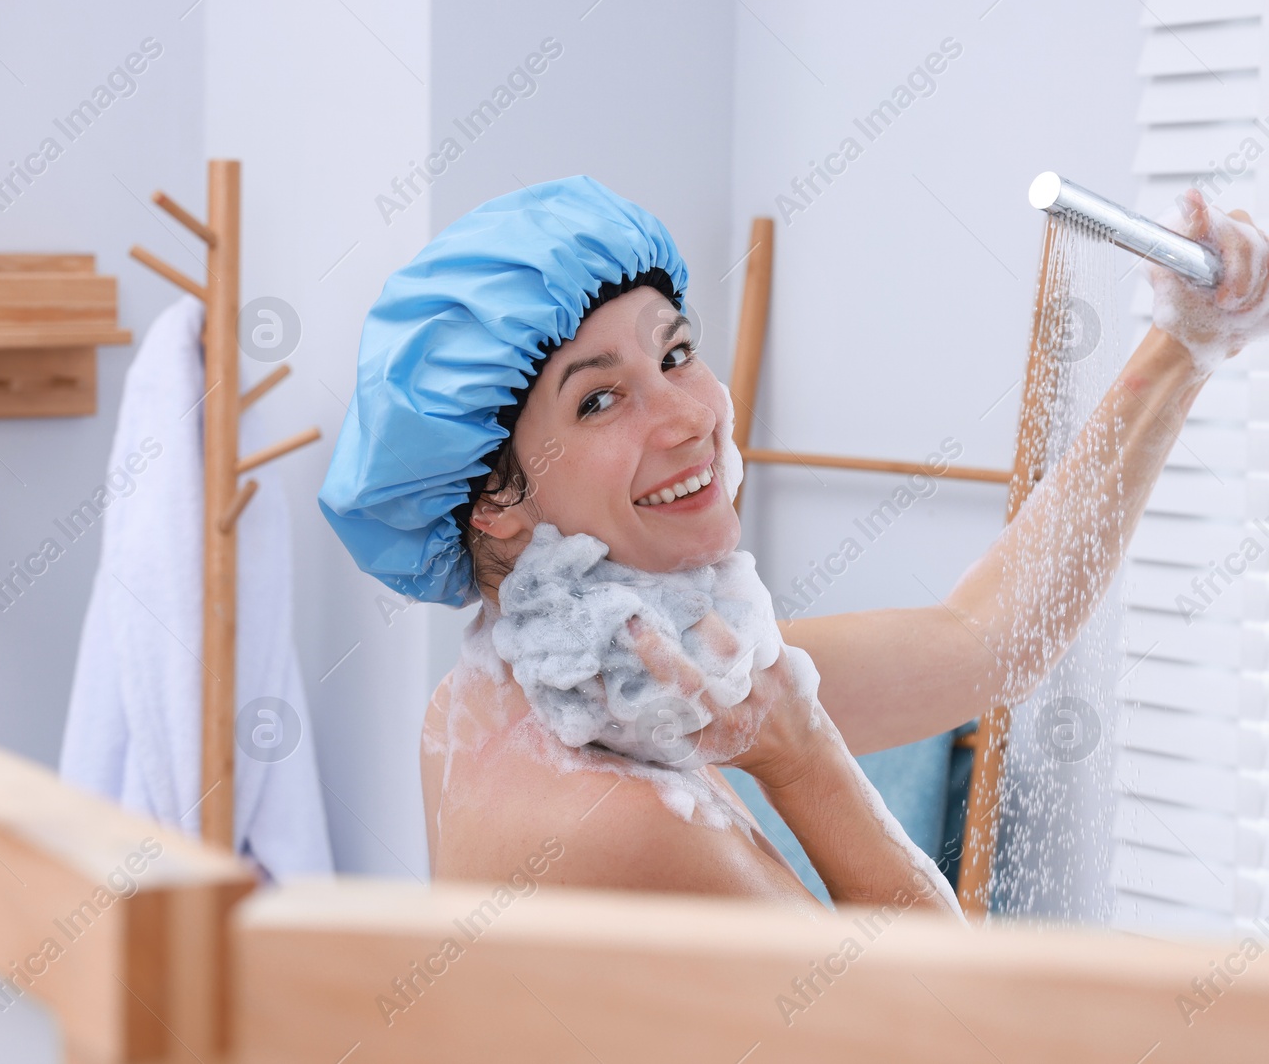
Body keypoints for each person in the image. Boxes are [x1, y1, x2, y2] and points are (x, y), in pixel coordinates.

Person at [318, 175, 1265, 914]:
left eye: (676, 352)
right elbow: (947, 1034)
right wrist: (804, 756)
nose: (689, 416)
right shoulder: (616, 825)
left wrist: (1185, 342)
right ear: (494, 502)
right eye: (598, 398)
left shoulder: (550, 689)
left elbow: (986, 642)